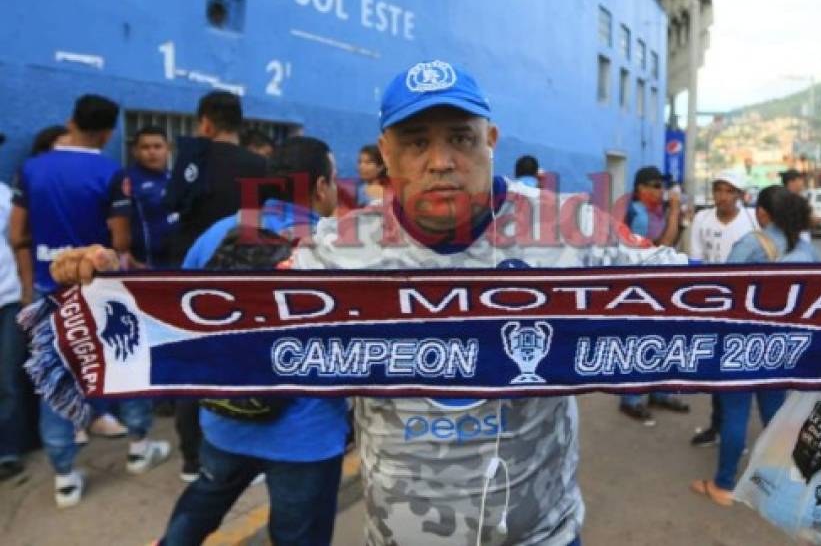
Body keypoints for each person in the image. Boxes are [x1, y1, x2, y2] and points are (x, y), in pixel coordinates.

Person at [52, 60, 685, 545]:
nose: (441, 161)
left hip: (540, 533)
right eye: (415, 142)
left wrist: (787, 318)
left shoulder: (571, 227)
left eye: (461, 139)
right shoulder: (339, 249)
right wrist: (113, 291)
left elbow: (699, 296)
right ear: (386, 155)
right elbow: (240, 324)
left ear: (491, 139)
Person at [159, 137, 348, 545]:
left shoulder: (219, 232)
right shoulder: (337, 251)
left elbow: (179, 313)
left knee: (204, 499)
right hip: (305, 437)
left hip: (224, 417)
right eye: (334, 179)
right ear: (320, 187)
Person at [9, 94, 169, 507]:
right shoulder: (109, 171)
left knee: (56, 376)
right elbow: (120, 241)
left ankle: (64, 475)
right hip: (101, 286)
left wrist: (32, 282)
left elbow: (18, 234)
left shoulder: (32, 168)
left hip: (50, 286)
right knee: (126, 360)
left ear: (70, 120)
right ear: (109, 132)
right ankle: (138, 446)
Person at [691, 185, 819, 506]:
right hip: (783, 342)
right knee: (775, 414)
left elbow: (723, 290)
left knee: (735, 413)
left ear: (762, 212)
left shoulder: (752, 243)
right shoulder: (806, 249)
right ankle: (778, 483)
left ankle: (723, 486)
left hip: (742, 341)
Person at [165, 90, 268, 482]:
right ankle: (248, 455)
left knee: (192, 369)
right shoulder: (261, 166)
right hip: (245, 283)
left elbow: (171, 210)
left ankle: (193, 460)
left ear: (205, 122)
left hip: (191, 283)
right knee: (244, 368)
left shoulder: (192, 161)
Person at [687, 170, 757, 445]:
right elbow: (695, 261)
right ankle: (717, 427)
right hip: (712, 303)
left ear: (739, 195)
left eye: (729, 191)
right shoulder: (702, 219)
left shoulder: (751, 221)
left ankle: (734, 430)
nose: (723, 196)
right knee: (715, 367)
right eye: (719, 190)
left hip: (744, 304)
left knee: (738, 368)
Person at [618, 165, 689, 424]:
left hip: (657, 286)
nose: (662, 191)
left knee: (661, 340)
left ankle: (659, 391)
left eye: (663, 186)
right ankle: (631, 399)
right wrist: (673, 212)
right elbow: (662, 246)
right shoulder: (637, 214)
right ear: (641, 189)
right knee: (640, 342)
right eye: (656, 186)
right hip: (639, 289)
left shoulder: (654, 211)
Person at [0, 131, 26, 482]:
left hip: (6, 297)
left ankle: (6, 450)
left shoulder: (5, 197)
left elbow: (20, 243)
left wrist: (27, 291)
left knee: (7, 380)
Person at [115, 126, 175, 269]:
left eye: (157, 146)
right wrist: (126, 257)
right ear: (135, 151)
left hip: (177, 263)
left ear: (168, 149)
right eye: (145, 147)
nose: (152, 152)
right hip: (143, 265)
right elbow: (119, 222)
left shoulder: (175, 178)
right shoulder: (126, 179)